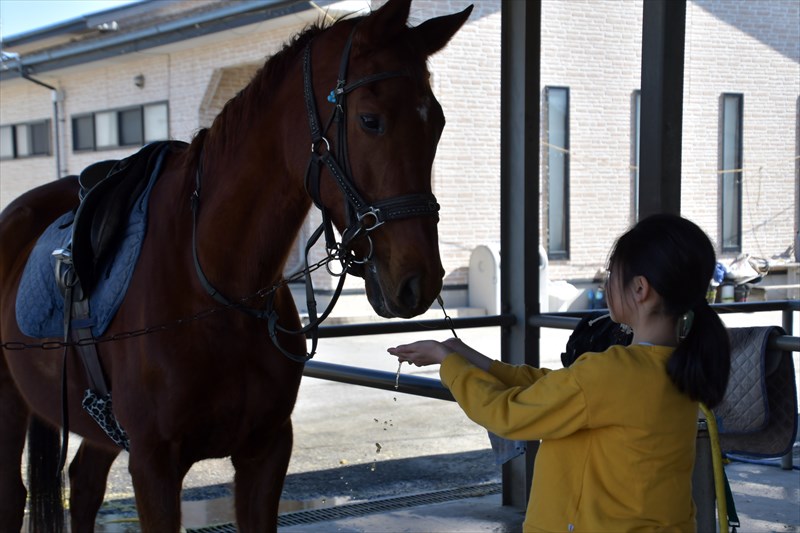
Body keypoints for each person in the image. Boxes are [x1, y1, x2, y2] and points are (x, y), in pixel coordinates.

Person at [388, 213, 731, 532]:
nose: (608, 283)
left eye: (613, 273)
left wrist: (447, 363)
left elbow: (507, 413)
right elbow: (558, 387)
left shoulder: (612, 373)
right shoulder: (677, 365)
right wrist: (472, 359)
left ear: (640, 289)